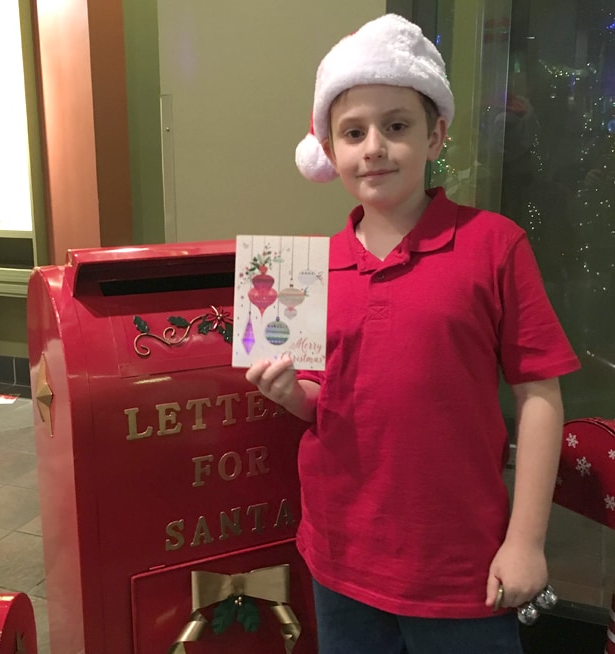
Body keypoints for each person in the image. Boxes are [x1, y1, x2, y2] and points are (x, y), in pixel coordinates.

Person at [245, 14, 580, 654]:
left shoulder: (494, 245)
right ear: (331, 148)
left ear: (435, 135)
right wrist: (291, 395)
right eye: (353, 132)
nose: (373, 146)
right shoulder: (310, 270)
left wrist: (526, 539)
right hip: (341, 560)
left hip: (463, 569)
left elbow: (540, 396)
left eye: (395, 126)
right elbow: (334, 401)